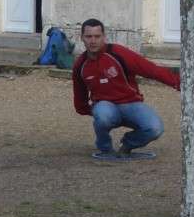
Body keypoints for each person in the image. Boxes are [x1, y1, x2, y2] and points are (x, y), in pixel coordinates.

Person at [72, 18, 180, 158]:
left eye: (97, 36)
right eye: (88, 36)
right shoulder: (80, 65)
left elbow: (150, 69)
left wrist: (178, 83)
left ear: (104, 37)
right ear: (82, 38)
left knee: (155, 128)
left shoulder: (118, 53)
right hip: (105, 107)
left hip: (131, 104)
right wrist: (95, 113)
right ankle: (105, 148)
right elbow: (79, 97)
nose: (93, 41)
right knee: (103, 113)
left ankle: (127, 145)